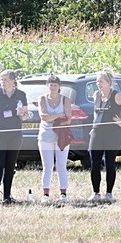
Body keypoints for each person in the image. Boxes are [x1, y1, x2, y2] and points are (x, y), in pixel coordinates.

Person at [88, 68, 121, 202]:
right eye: (97, 81)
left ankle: (109, 193)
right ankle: (95, 193)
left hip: (112, 134)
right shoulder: (96, 95)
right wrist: (93, 126)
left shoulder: (117, 96)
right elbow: (96, 112)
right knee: (94, 162)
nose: (98, 84)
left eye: (101, 81)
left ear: (109, 82)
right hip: (97, 132)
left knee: (109, 162)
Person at [37, 75, 72, 203]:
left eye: (55, 85)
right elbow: (44, 117)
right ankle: (45, 194)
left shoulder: (65, 100)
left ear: (59, 86)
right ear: (47, 86)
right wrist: (58, 115)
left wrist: (54, 118)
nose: (52, 87)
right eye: (50, 85)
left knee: (61, 165)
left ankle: (63, 194)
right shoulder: (42, 98)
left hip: (61, 136)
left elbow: (68, 119)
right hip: (45, 136)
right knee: (47, 166)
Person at [0, 69, 28, 205]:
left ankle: (7, 196)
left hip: (15, 134)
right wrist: (13, 112)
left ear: (13, 81)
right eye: (1, 79)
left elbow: (25, 115)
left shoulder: (21, 95)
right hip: (0, 134)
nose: (2, 82)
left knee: (10, 166)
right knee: (0, 165)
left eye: (5, 79)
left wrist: (24, 114)